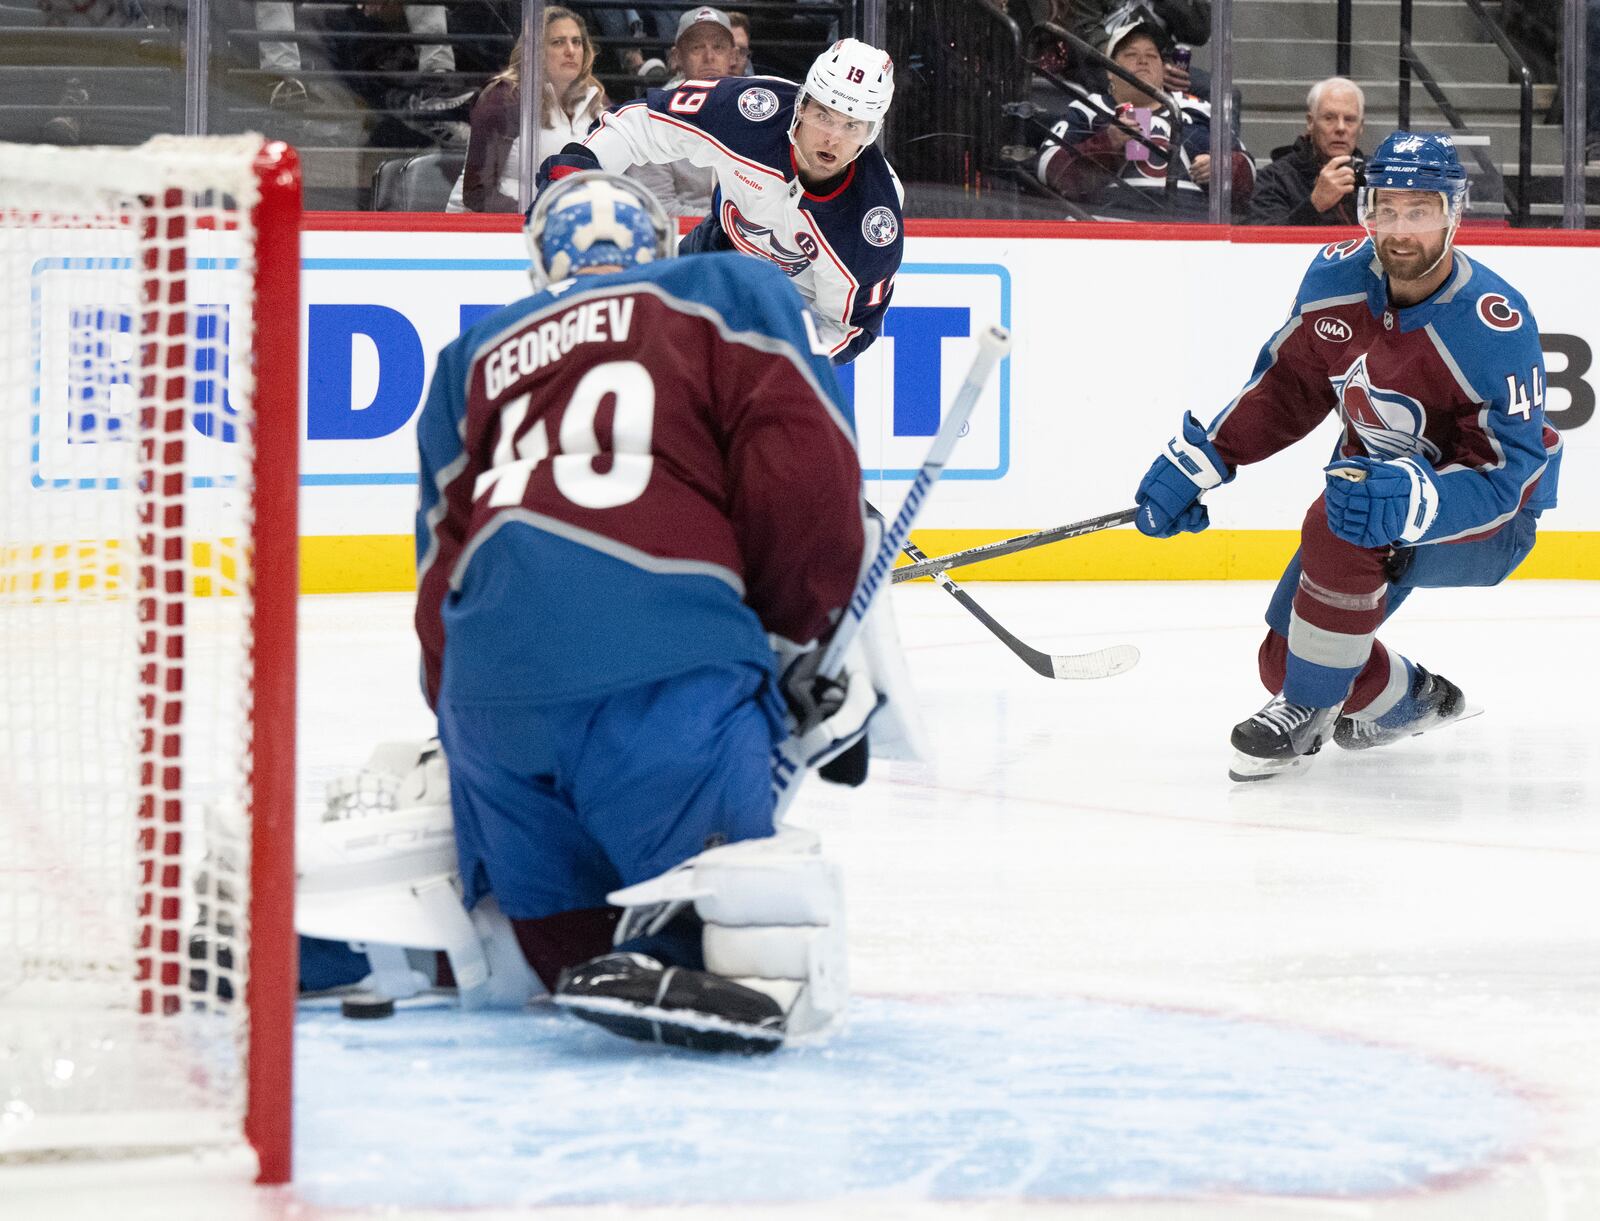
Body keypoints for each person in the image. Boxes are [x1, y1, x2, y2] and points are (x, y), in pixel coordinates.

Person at [411, 170, 881, 1050]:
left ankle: (388, 949)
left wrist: (457, 714)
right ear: (660, 246)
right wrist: (795, 638)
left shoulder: (469, 355)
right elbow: (805, 479)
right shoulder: (726, 290)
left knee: (557, 953)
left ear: (538, 261)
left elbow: (438, 570)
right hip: (666, 678)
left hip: (492, 712)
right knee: (715, 935)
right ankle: (666, 942)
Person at [1130, 131, 1563, 782]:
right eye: (1385, 209)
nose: (1399, 230)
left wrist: (1417, 498)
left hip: (1489, 523)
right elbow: (1289, 387)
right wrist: (1208, 456)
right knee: (1283, 659)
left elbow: (1509, 474)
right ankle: (1414, 698)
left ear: (1453, 211)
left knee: (1337, 523)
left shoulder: (1492, 324)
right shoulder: (1335, 278)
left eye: (1419, 211)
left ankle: (1306, 711)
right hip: (1370, 503)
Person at [536, 37, 902, 364]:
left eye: (852, 126)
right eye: (824, 115)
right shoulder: (751, 110)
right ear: (802, 104)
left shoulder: (873, 224)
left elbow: (847, 330)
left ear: (871, 134)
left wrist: (769, 347)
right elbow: (645, 125)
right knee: (631, 337)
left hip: (786, 312)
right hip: (716, 250)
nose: (832, 139)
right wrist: (583, 165)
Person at [1034, 16, 1252, 220]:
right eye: (1130, 55)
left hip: (1189, 233)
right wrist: (1106, 144)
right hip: (1107, 227)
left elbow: (1248, 172)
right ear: (1109, 71)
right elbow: (1048, 169)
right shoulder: (1089, 108)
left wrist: (1224, 166)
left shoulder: (1197, 108)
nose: (1143, 61)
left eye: (1152, 56)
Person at [445, 7, 607, 213]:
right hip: (486, 228)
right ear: (535, 49)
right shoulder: (505, 97)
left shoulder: (596, 99)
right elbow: (477, 194)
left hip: (560, 225)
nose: (571, 51)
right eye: (558, 42)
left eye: (577, 42)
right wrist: (546, 214)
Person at [625, 6, 739, 217]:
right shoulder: (653, 117)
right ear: (676, 56)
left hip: (750, 245)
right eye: (697, 47)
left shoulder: (756, 113)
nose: (709, 57)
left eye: (718, 47)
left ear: (733, 56)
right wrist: (730, 227)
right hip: (680, 244)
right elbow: (655, 207)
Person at [1249, 77, 1368, 226]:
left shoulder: (1376, 178)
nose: (1341, 128)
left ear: (1361, 126)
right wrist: (1314, 205)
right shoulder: (1275, 178)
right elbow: (1262, 244)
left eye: (1350, 119)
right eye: (1329, 118)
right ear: (1311, 122)